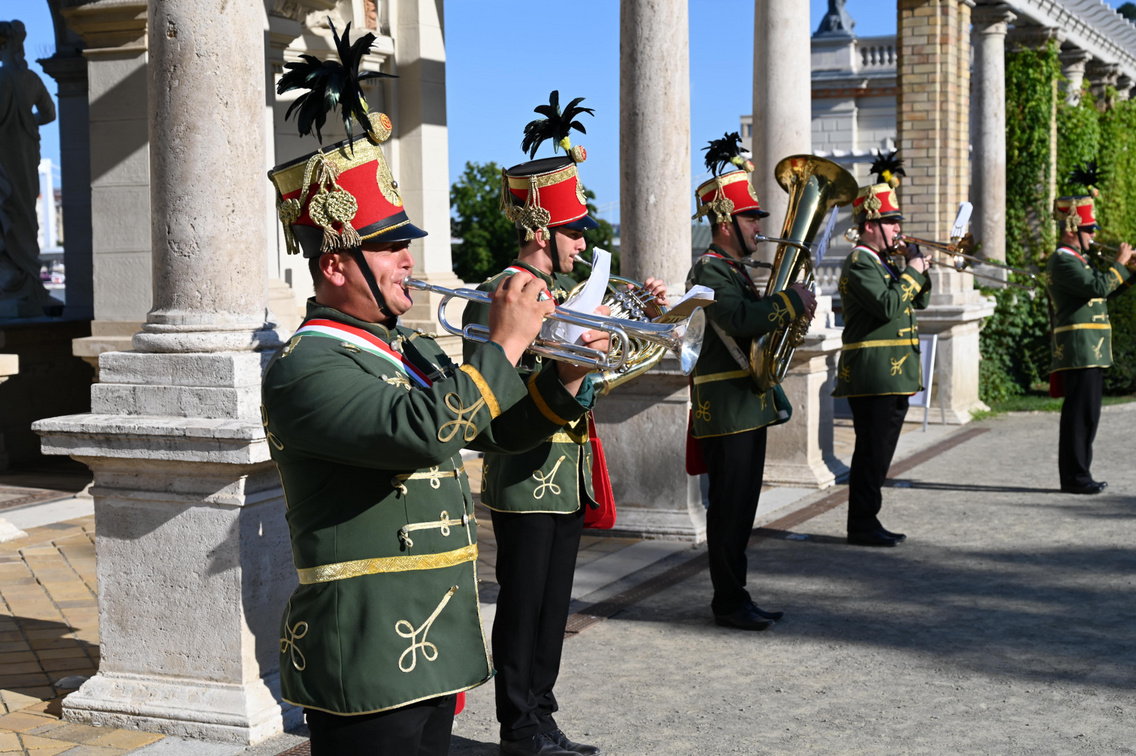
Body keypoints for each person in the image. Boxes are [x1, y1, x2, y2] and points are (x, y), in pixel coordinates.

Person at [262, 31, 603, 755]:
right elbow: (422, 430)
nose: (407, 261)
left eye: (403, 243)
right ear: (333, 265)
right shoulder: (306, 367)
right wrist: (506, 342)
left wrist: (565, 379)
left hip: (431, 640)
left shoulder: (406, 345)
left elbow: (498, 433)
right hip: (364, 647)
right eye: (389, 246)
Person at [462, 92, 661, 756]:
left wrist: (634, 315)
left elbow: (594, 383)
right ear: (541, 231)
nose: (585, 241)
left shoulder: (568, 299)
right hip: (525, 476)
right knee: (522, 609)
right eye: (575, 230)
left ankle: (542, 717)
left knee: (552, 610)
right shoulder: (502, 294)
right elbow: (497, 396)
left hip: (565, 475)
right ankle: (519, 728)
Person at [686, 133, 816, 631]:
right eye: (750, 219)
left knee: (740, 512)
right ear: (725, 222)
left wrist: (790, 310)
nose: (758, 229)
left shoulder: (733, 269)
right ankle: (728, 602)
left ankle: (736, 595)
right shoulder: (708, 272)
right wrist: (787, 304)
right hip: (727, 410)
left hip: (744, 406)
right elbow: (738, 319)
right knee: (729, 514)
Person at [832, 151, 931, 547]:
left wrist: (918, 267)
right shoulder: (860, 263)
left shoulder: (885, 263)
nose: (897, 230)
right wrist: (912, 272)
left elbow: (917, 302)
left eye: (897, 223)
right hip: (872, 374)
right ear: (870, 225)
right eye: (891, 223)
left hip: (891, 374)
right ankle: (861, 524)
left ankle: (868, 519)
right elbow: (890, 304)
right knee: (870, 452)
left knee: (880, 452)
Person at [1048, 168, 1134, 494]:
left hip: (1091, 348)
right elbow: (1098, 285)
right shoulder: (1063, 260)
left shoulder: (1078, 259)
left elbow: (1104, 290)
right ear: (1073, 230)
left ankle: (1080, 473)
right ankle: (1075, 477)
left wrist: (1130, 273)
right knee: (1079, 418)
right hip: (1079, 349)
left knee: (1088, 416)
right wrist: (1121, 264)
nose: (1094, 236)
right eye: (1089, 230)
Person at [0, 20, 58, 316]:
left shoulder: (0, 79)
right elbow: (50, 114)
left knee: (7, 212)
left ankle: (13, 276)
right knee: (25, 214)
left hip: (4, 161)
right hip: (27, 156)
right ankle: (29, 277)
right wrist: (28, 124)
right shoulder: (33, 79)